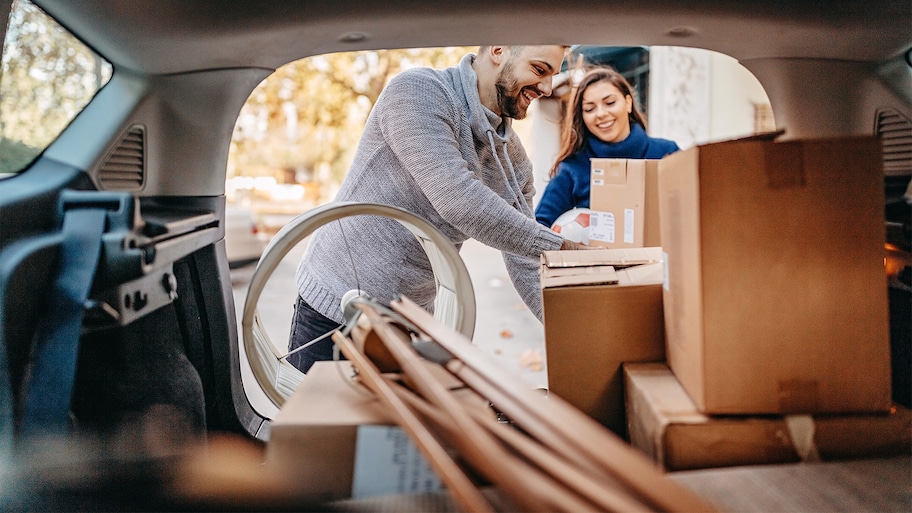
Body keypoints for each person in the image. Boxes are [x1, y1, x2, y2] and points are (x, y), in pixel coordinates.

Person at [288, 46, 589, 373]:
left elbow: (525, 260)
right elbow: (457, 198)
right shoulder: (417, 92)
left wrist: (578, 336)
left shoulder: (512, 159)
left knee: (388, 425)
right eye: (539, 69)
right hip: (335, 304)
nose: (546, 88)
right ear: (499, 49)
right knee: (316, 422)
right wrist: (560, 247)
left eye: (552, 76)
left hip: (406, 321)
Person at [534, 66, 680, 228]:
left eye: (610, 103)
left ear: (628, 103)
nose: (601, 114)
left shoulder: (667, 154)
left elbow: (693, 208)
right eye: (590, 109)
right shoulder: (573, 167)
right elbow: (539, 227)